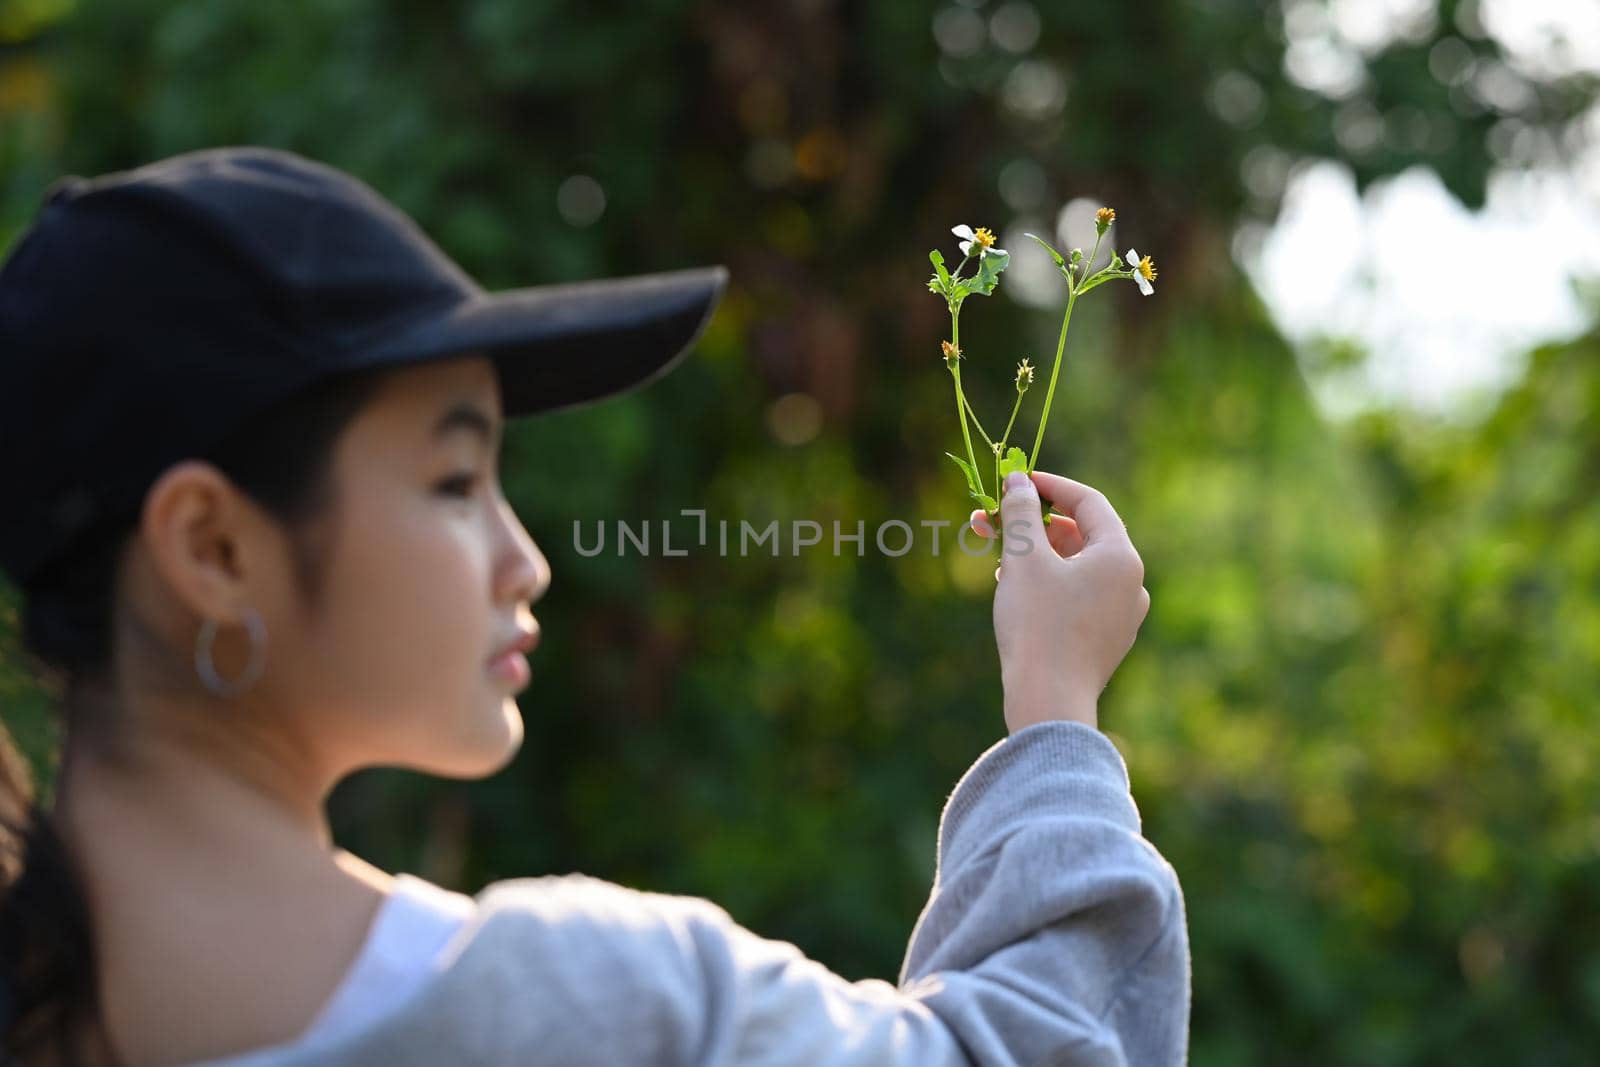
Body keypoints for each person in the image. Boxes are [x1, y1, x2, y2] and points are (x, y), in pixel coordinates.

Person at [0, 146, 1188, 1067]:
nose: (525, 558)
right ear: (212, 547)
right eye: (455, 479)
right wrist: (1055, 714)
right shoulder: (601, 1009)